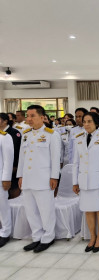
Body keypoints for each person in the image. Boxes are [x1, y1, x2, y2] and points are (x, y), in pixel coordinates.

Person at [17, 105, 61, 253]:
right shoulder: (26, 134)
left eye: (32, 116)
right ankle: (36, 237)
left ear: (42, 117)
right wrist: (21, 176)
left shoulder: (51, 134)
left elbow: (56, 158)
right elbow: (22, 158)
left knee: (45, 210)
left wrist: (55, 177)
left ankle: (48, 237)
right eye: (27, 116)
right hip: (28, 179)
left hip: (43, 179)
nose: (28, 119)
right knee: (30, 210)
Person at [72, 112, 99, 253]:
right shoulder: (78, 138)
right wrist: (74, 182)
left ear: (96, 123)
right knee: (88, 210)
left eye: (89, 121)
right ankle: (92, 237)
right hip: (84, 181)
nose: (86, 124)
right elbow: (75, 163)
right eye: (84, 121)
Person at [0, 113, 22, 199]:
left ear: (5, 121)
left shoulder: (13, 133)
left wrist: (15, 165)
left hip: (13, 167)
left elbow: (16, 151)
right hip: (2, 168)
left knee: (12, 192)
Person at [0, 127, 14, 248]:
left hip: (0, 178)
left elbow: (8, 160)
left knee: (2, 206)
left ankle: (5, 232)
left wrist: (6, 178)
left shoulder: (4, 137)